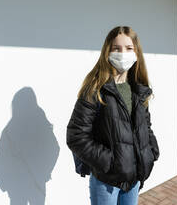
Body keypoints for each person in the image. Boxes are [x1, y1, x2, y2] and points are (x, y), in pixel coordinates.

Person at [66, 26, 160, 205]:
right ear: (107, 52)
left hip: (134, 179)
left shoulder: (138, 90)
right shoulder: (95, 89)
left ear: (136, 53)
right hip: (106, 182)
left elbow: (145, 127)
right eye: (116, 48)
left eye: (128, 48)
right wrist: (110, 162)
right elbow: (76, 136)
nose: (122, 53)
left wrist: (151, 152)